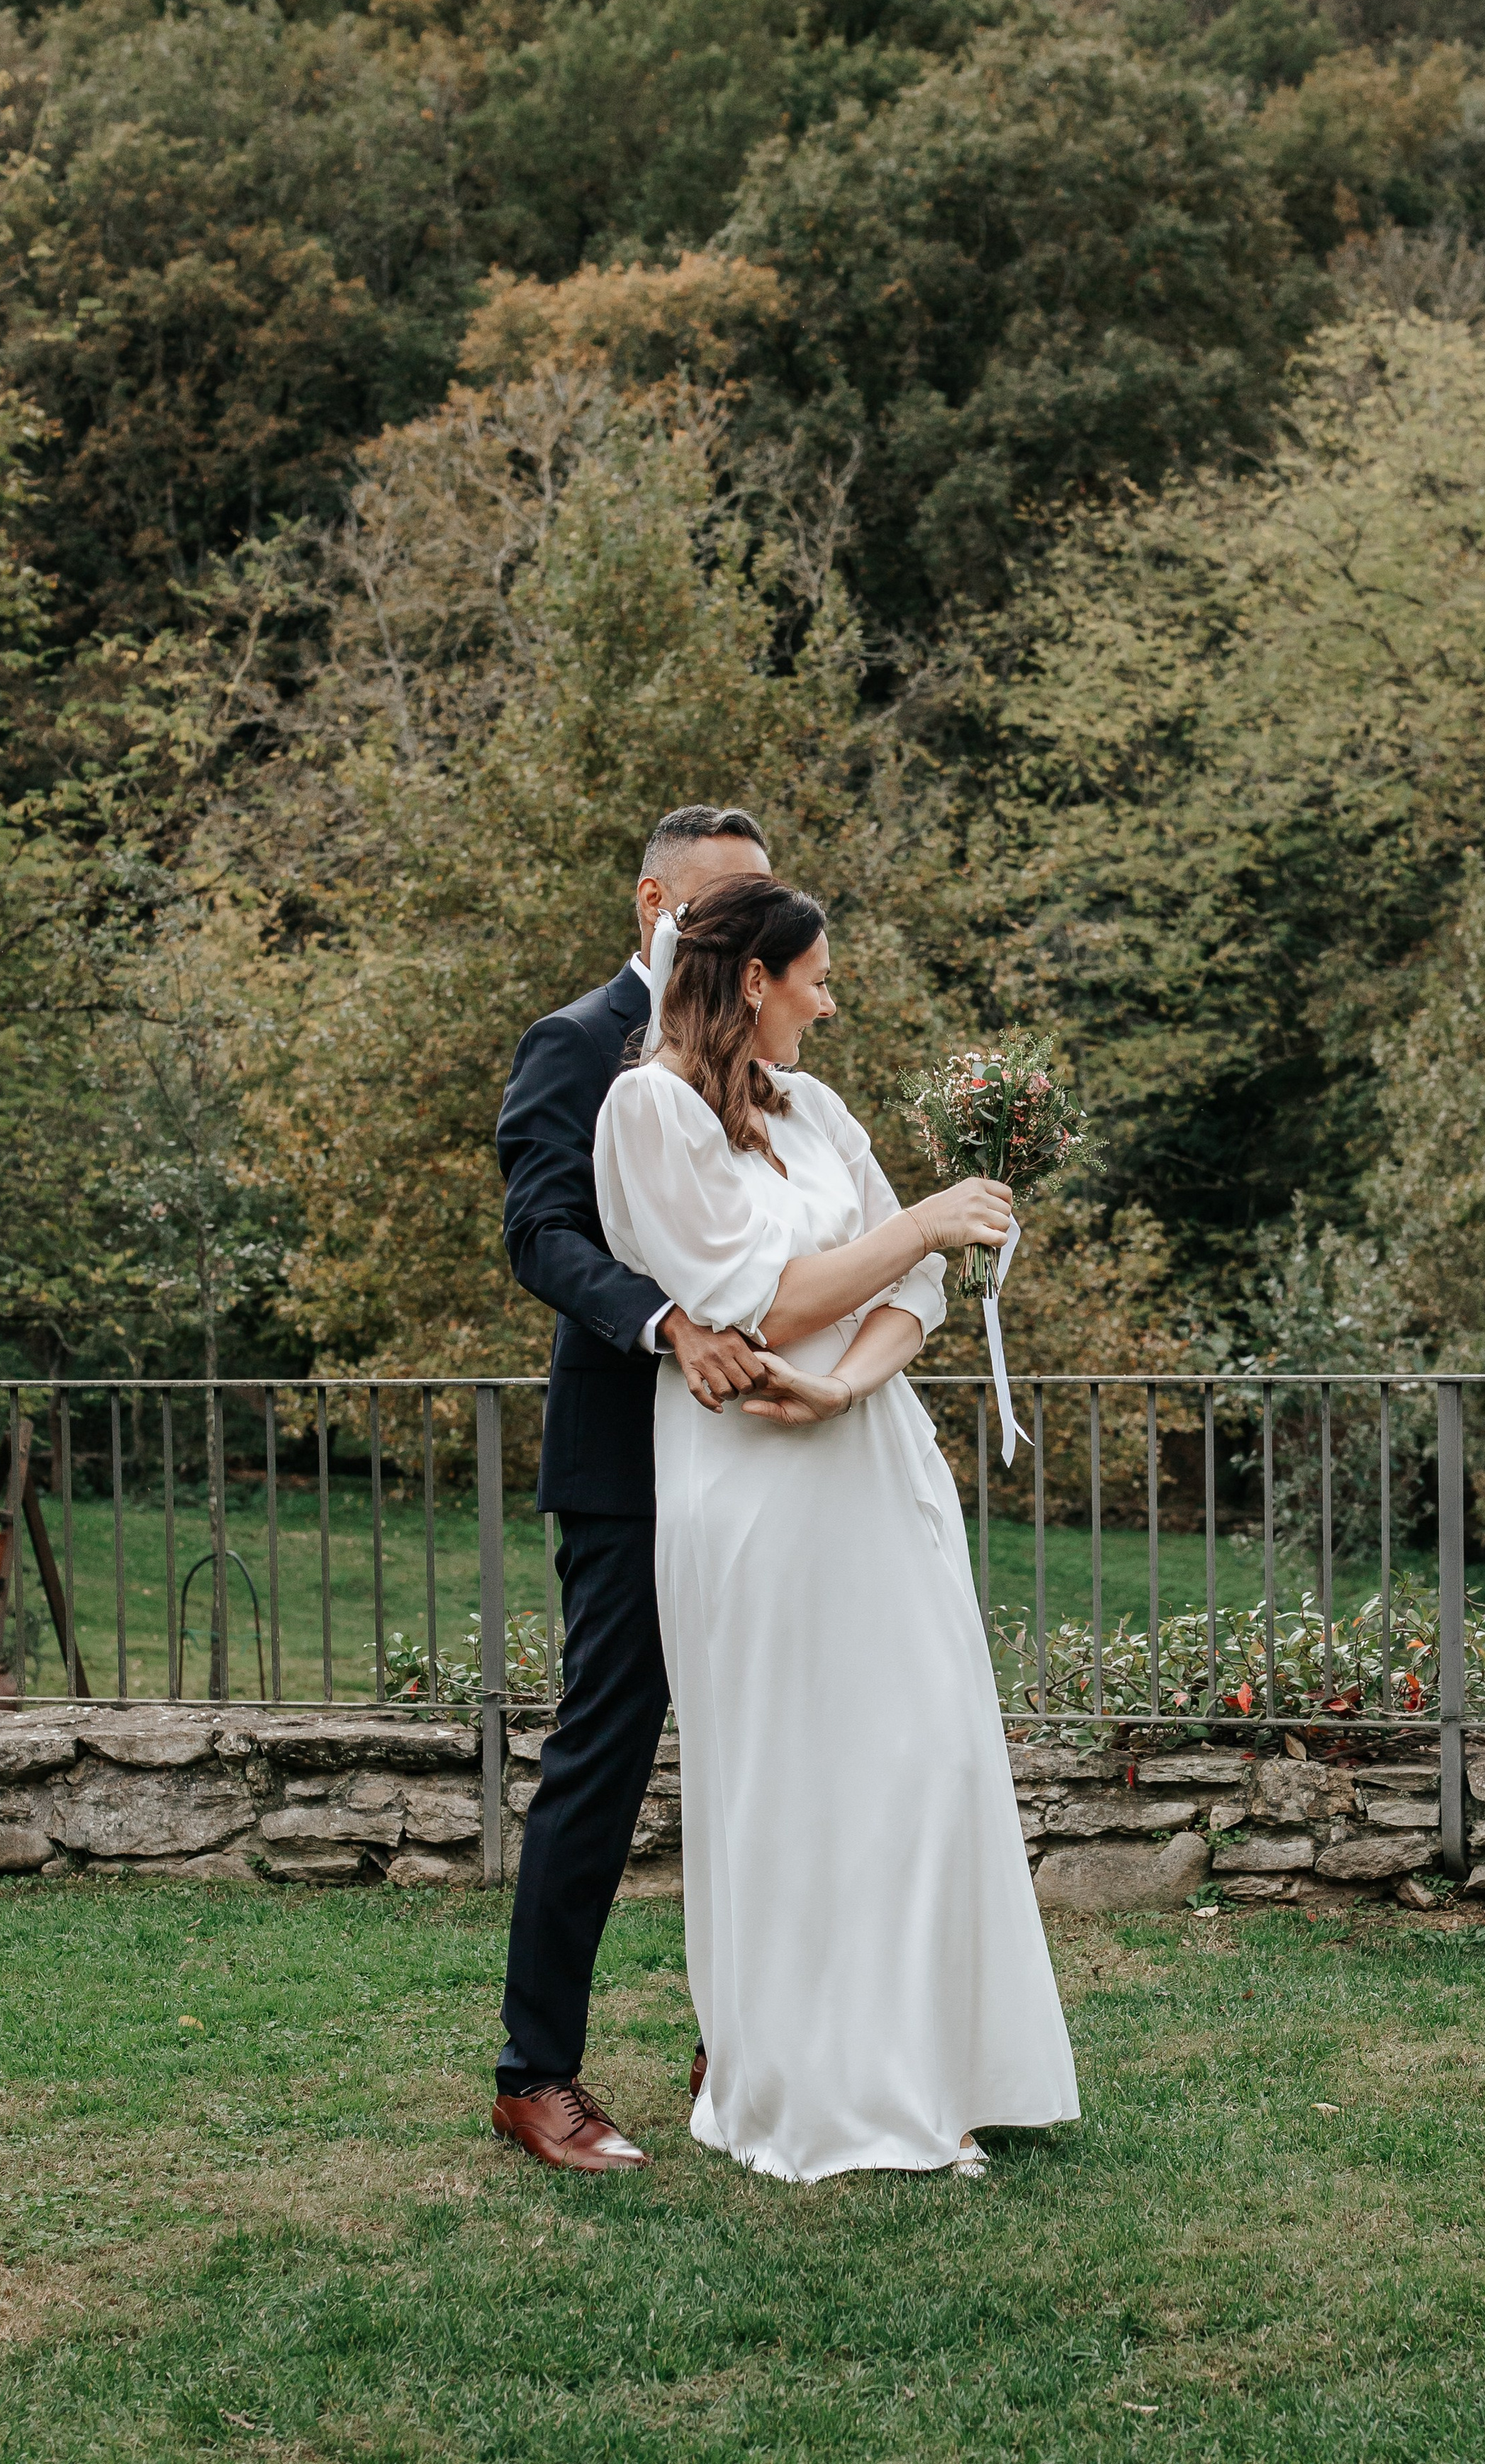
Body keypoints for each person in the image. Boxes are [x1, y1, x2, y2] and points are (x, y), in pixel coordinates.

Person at [592, 874, 1080, 2183]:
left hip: (860, 1452)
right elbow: (761, 1296)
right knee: (795, 1783)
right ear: (756, 979)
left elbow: (906, 1286)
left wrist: (848, 1384)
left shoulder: (818, 1108)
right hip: (747, 1488)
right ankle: (807, 2093)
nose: (830, 992)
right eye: (816, 971)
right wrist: (917, 1220)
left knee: (926, 1763)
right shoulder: (649, 1111)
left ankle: (926, 2076)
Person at [491, 806, 775, 2174]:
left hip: (765, 1462)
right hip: (628, 1465)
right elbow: (538, 1233)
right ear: (655, 901)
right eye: (719, 908)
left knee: (766, 1757)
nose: (739, 938)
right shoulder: (574, 1041)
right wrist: (667, 1322)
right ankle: (535, 2073)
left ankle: (757, 2043)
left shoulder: (767, 1058)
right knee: (602, 1761)